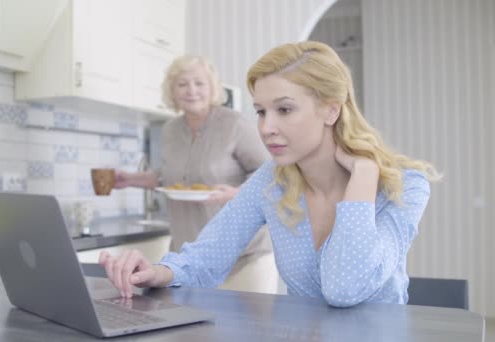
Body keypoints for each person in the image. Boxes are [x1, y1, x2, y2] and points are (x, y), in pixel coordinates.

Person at [100, 41, 441, 307]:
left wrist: (364, 177)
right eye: (261, 111)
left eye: (284, 109)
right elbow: (210, 253)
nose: (266, 128)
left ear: (331, 109)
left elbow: (344, 289)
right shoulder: (273, 180)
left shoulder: (405, 186)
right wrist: (157, 272)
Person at [112, 55, 273, 288]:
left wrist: (235, 193)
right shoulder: (170, 130)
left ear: (212, 88)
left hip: (243, 257)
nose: (191, 90)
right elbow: (171, 176)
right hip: (187, 261)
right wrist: (131, 180)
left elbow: (268, 174)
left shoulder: (234, 124)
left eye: (199, 83)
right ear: (172, 91)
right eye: (182, 84)